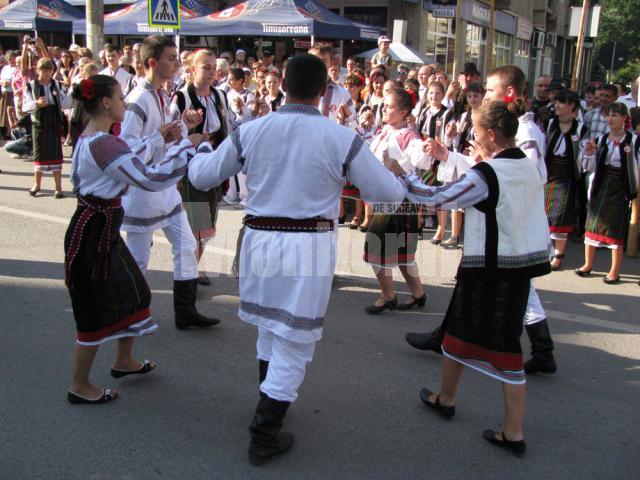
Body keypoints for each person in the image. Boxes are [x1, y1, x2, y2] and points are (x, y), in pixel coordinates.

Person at [187, 53, 406, 466]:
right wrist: (400, 176)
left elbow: (201, 177)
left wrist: (194, 150)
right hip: (306, 247)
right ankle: (264, 433)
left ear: (282, 85)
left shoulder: (252, 130)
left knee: (272, 328)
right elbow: (389, 194)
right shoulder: (339, 136)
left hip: (259, 241)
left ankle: (269, 398)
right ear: (324, 90)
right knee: (294, 342)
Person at [400, 99, 551, 457]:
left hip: (488, 268)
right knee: (471, 334)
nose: (475, 137)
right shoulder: (526, 166)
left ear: (492, 133)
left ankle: (457, 403)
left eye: (478, 132)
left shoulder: (488, 174)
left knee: (493, 343)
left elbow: (439, 197)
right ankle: (489, 419)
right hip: (520, 265)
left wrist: (401, 180)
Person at [64, 74, 207, 404]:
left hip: (102, 230)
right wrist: (187, 148)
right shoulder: (102, 143)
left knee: (134, 293)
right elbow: (148, 177)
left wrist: (160, 138)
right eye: (118, 98)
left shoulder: (99, 138)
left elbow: (130, 152)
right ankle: (79, 385)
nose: (123, 104)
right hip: (93, 236)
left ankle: (123, 361)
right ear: (105, 103)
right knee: (92, 311)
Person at [406, 65, 557, 376]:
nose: (485, 94)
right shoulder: (505, 137)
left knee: (506, 292)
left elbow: (517, 177)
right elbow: (489, 174)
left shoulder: (525, 132)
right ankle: (452, 340)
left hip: (507, 230)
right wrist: (459, 159)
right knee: (507, 287)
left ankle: (496, 353)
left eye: (490, 90)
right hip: (503, 227)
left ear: (509, 93)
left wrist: (405, 179)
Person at [120, 35, 220, 330]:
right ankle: (131, 318)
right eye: (171, 58)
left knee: (187, 245)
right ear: (153, 62)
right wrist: (164, 136)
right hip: (143, 191)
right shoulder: (138, 99)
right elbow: (128, 150)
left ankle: (185, 312)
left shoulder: (163, 94)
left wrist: (183, 129)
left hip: (164, 189)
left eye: (177, 58)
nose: (177, 63)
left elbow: (163, 137)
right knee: (139, 258)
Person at [362, 87, 428, 314]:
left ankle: (388, 296)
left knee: (377, 249)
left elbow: (421, 158)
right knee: (401, 252)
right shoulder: (384, 131)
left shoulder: (409, 135)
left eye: (389, 106)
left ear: (403, 112)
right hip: (387, 197)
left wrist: (426, 151)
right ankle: (418, 294)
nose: (384, 109)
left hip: (397, 199)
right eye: (384, 105)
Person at [171, 49, 234, 286]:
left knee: (209, 217)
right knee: (196, 219)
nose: (211, 72)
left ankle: (194, 266)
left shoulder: (220, 95)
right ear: (192, 69)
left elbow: (227, 126)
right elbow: (171, 132)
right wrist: (189, 131)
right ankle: (189, 272)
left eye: (213, 67)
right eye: (206, 67)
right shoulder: (182, 97)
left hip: (214, 164)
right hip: (190, 167)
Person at [576, 102, 639, 284]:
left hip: (621, 187)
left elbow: (636, 167)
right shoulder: (602, 139)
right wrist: (588, 153)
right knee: (592, 225)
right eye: (608, 115)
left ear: (624, 118)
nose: (610, 118)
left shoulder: (633, 140)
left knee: (615, 229)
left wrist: (633, 189)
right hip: (601, 184)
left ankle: (614, 271)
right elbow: (589, 166)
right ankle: (587, 265)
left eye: (615, 115)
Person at [544, 90, 589, 271]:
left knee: (560, 216)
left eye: (561, 103)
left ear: (572, 106)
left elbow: (583, 158)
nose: (556, 106)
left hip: (567, 176)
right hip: (549, 173)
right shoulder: (550, 124)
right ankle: (545, 251)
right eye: (556, 103)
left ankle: (558, 255)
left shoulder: (581, 129)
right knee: (544, 214)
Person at [22, 58, 72, 198]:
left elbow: (64, 104)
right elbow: (25, 107)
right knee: (40, 154)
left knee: (56, 154)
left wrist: (73, 93)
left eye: (50, 70)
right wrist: (37, 104)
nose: (48, 73)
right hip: (39, 123)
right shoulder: (31, 86)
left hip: (54, 122)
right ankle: (37, 184)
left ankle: (58, 187)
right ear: (38, 70)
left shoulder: (57, 84)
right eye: (45, 70)